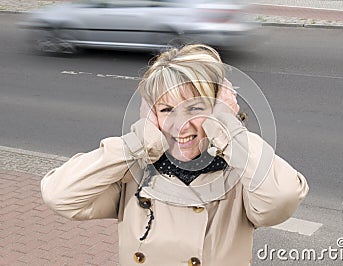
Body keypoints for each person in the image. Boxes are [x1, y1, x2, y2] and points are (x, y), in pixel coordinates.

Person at [41, 44, 309, 266]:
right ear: (151, 116)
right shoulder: (136, 172)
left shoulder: (240, 173)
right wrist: (140, 140)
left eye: (195, 108)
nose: (180, 124)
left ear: (219, 110)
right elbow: (60, 195)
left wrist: (228, 128)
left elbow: (280, 199)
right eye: (166, 109)